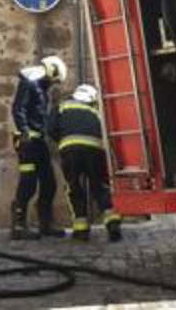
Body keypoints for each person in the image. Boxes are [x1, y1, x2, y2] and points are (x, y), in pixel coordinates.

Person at [49, 83, 121, 242]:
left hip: (70, 152)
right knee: (100, 186)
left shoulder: (62, 107)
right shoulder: (96, 111)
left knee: (74, 187)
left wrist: (63, 141)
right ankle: (112, 223)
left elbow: (50, 128)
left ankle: (81, 229)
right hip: (95, 151)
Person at [10, 55, 67, 240]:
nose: (52, 84)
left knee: (49, 183)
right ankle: (18, 225)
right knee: (28, 182)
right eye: (53, 80)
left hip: (39, 141)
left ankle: (46, 223)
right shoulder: (30, 83)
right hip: (27, 142)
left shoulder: (41, 87)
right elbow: (18, 108)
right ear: (50, 72)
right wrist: (25, 131)